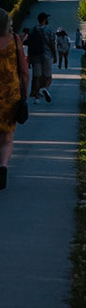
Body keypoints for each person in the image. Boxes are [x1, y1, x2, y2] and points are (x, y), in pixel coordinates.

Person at [0, 11, 28, 190]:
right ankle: (2, 167)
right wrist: (25, 91)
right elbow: (23, 69)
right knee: (7, 137)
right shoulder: (15, 39)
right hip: (10, 92)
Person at [26, 12, 54, 102]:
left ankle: (36, 97)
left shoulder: (33, 29)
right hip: (47, 54)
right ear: (45, 19)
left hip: (35, 55)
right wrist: (55, 55)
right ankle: (45, 88)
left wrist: (29, 58)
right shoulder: (49, 30)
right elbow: (52, 43)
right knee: (48, 76)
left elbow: (30, 44)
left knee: (37, 76)